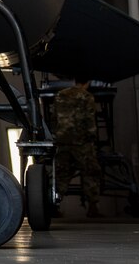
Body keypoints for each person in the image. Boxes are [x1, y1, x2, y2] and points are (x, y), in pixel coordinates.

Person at [51, 80, 104, 217]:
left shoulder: (60, 95)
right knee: (90, 172)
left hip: (62, 140)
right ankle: (93, 207)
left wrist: (55, 135)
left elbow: (53, 117)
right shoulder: (86, 96)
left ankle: (53, 204)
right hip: (81, 141)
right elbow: (90, 119)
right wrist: (92, 137)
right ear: (87, 82)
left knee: (61, 173)